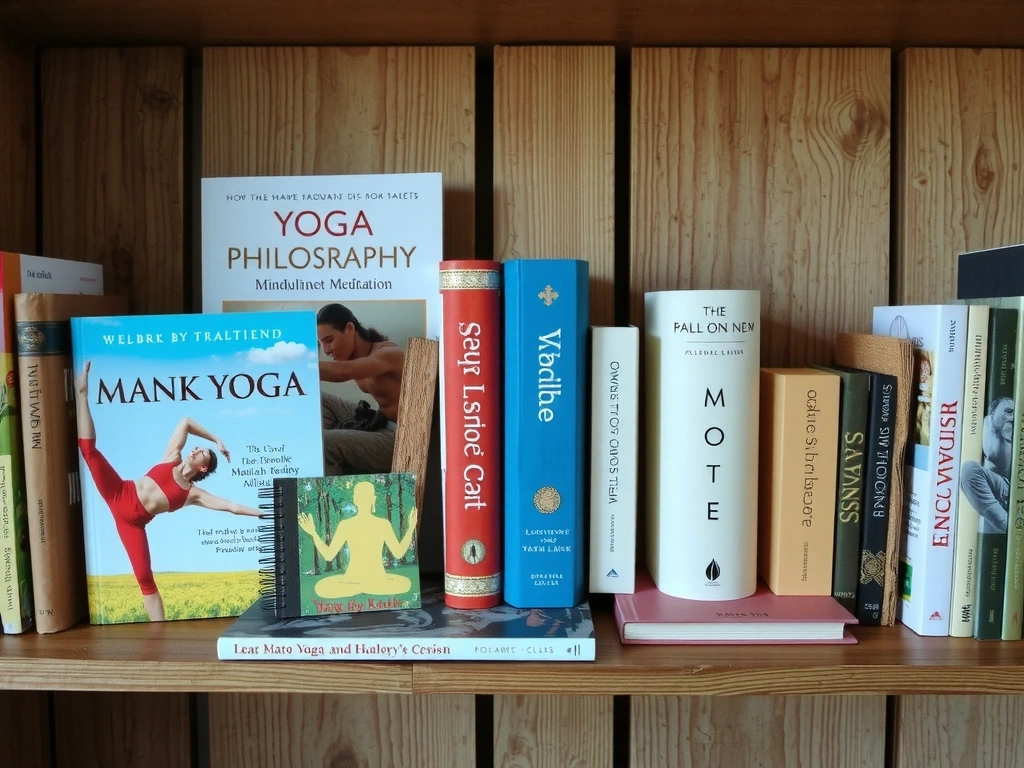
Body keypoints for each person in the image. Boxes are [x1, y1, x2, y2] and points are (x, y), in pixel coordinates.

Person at [75, 360, 261, 622]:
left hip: (132, 523)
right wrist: (216, 440)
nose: (195, 449)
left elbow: (231, 507)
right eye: (197, 447)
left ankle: (160, 633)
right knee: (90, 452)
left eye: (201, 452)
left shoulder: (193, 494)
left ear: (203, 467)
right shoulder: (171, 457)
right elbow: (185, 422)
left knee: (145, 580)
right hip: (118, 491)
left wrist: (261, 513)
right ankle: (82, 395)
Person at [316, 303, 405, 474]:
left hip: (399, 438)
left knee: (324, 442)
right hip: (379, 421)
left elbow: (344, 372)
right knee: (319, 399)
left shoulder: (388, 354)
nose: (326, 350)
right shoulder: (354, 356)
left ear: (350, 329)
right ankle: (326, 457)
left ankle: (330, 495)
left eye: (330, 340)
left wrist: (295, 366)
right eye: (322, 344)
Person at [296, 479, 418, 598]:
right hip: (377, 580)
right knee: (405, 584)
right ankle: (368, 587)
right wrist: (411, 528)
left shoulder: (346, 525)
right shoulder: (383, 524)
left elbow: (328, 555)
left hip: (352, 581)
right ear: (373, 500)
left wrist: (313, 533)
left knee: (322, 588)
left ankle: (361, 587)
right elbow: (398, 553)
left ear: (355, 500)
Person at [961, 396, 1014, 534]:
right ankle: (1012, 528)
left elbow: (1001, 460)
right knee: (968, 469)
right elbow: (992, 454)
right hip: (997, 488)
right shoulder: (987, 426)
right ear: (992, 414)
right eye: (1008, 411)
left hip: (1013, 491)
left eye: (1014, 412)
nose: (1012, 417)